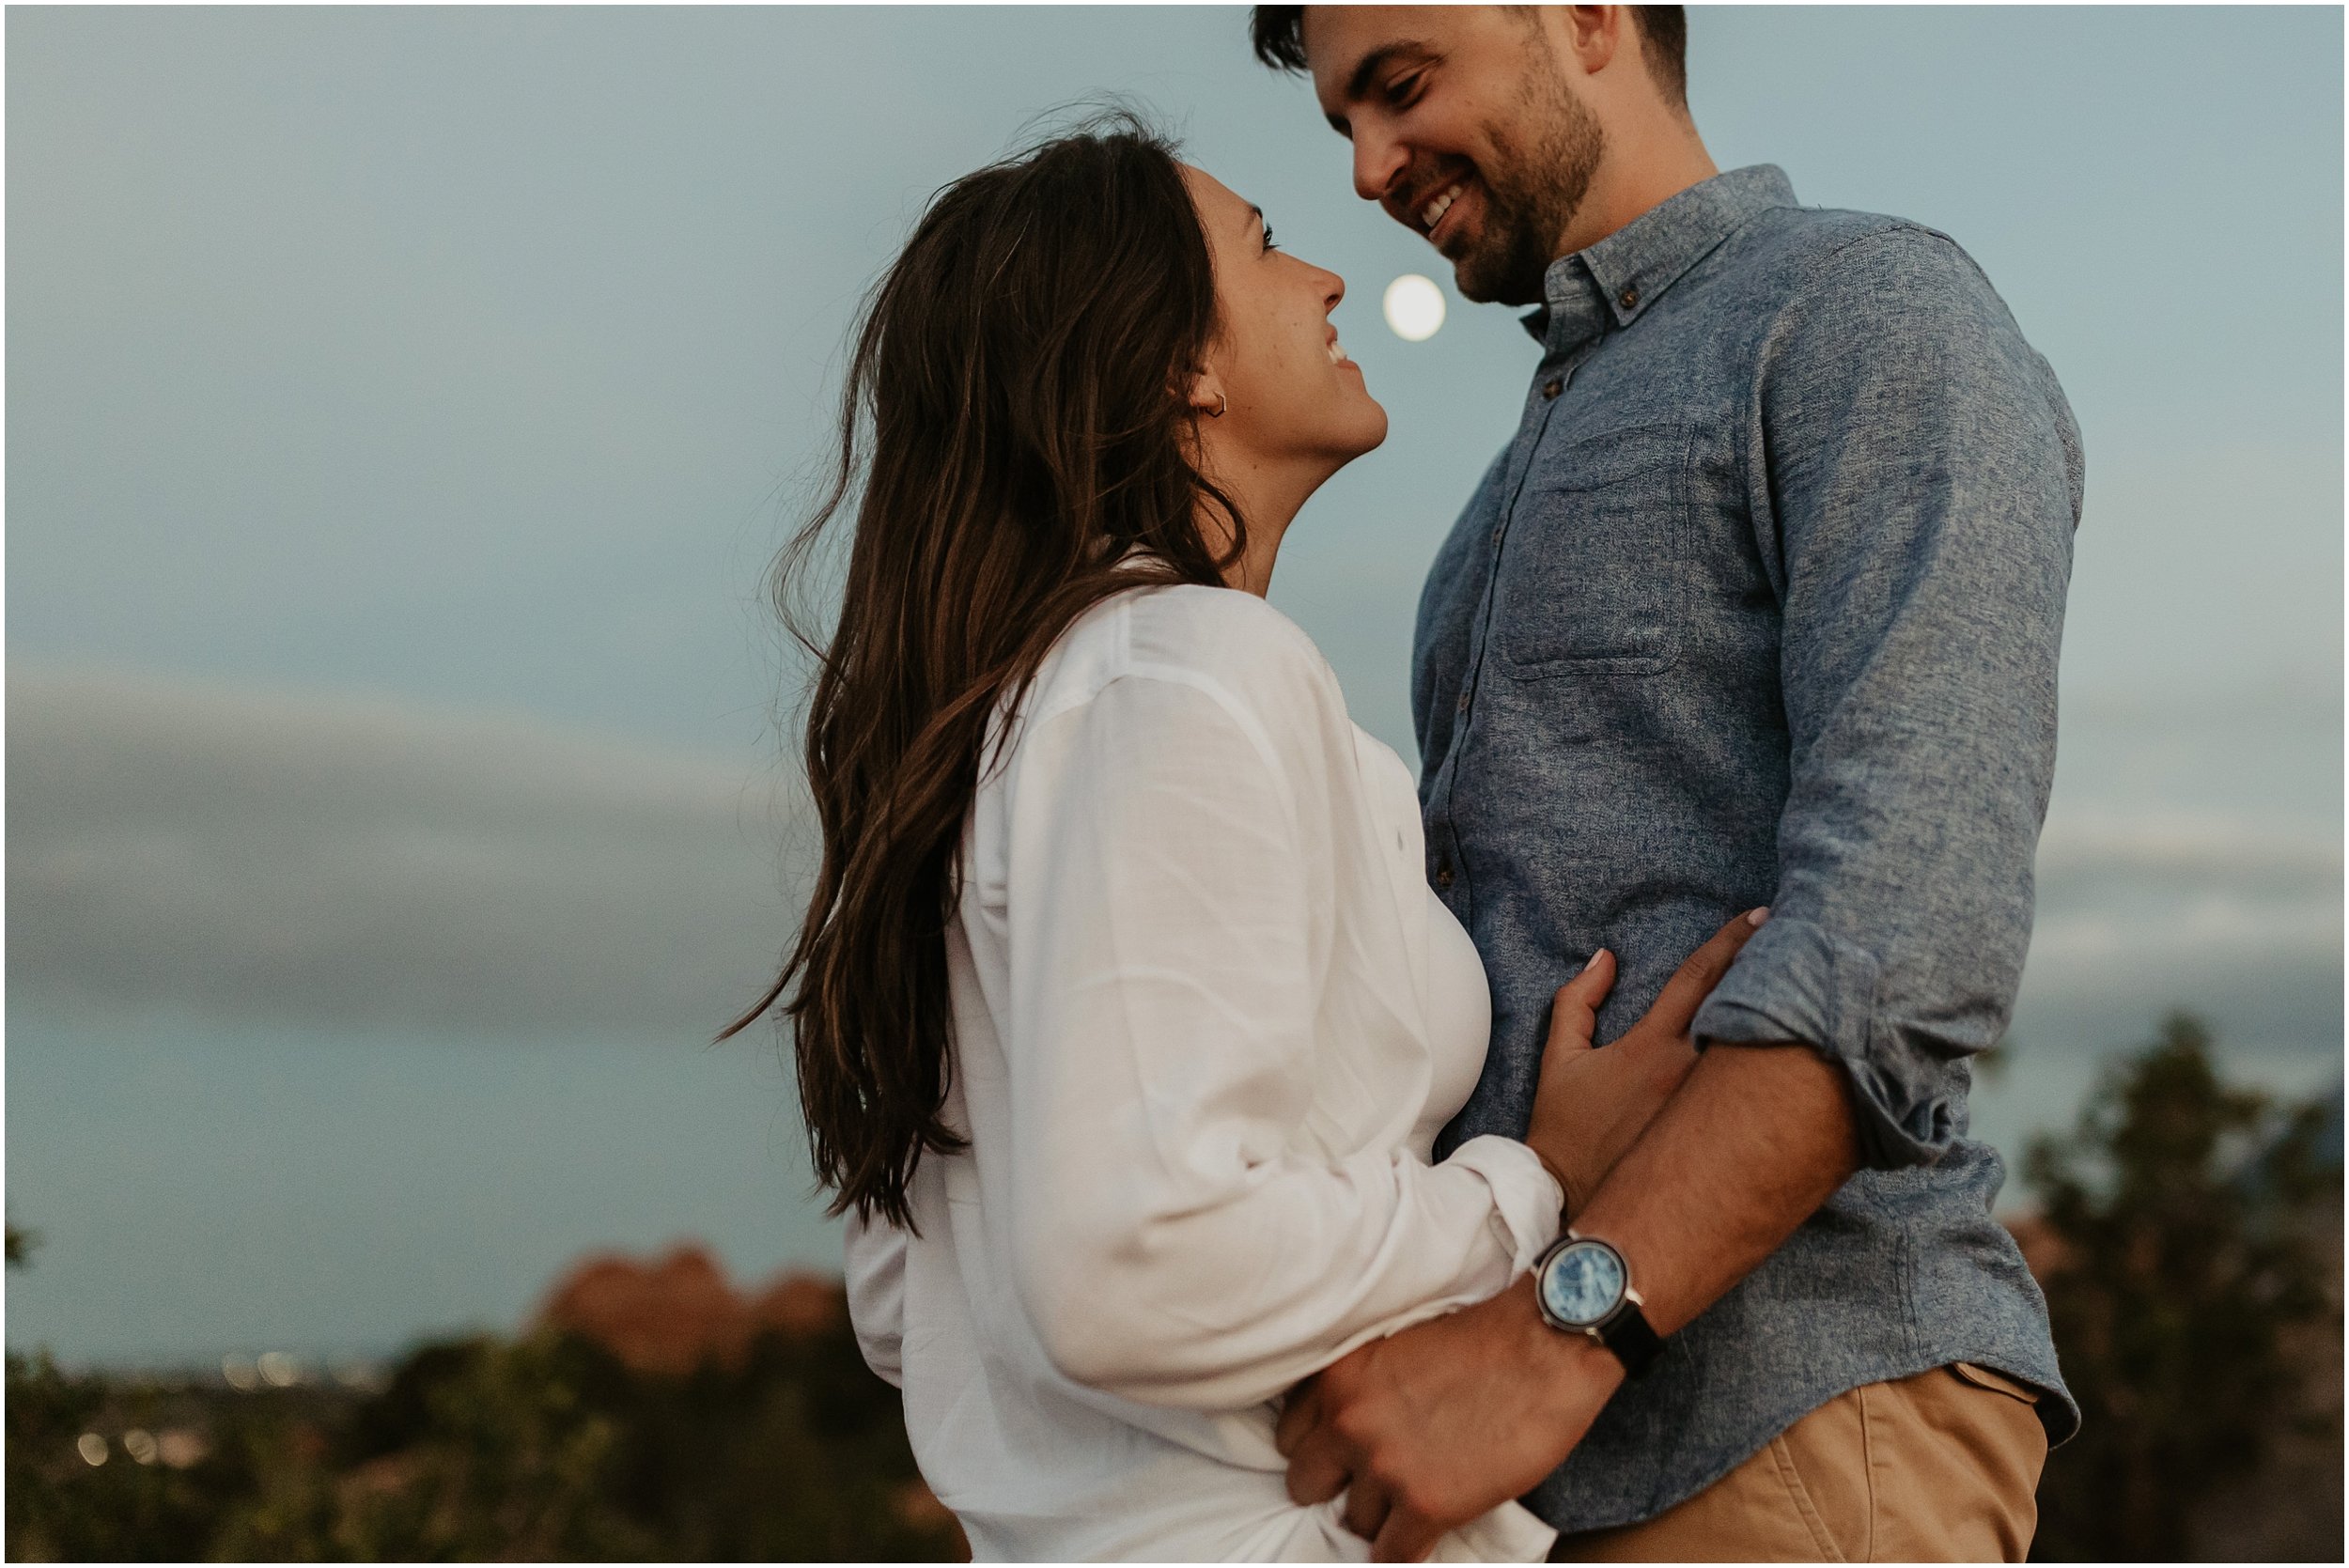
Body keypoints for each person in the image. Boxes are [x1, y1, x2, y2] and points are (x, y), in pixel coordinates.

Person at [723, 116, 1770, 1560]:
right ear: (1177, 366)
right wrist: (1529, 1186)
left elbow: (918, 1310)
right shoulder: (1184, 671)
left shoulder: (1012, 732)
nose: (1332, 277)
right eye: (1267, 246)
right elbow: (1129, 1265)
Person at [1248, 6, 2082, 1561]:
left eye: (1401, 87)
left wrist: (1556, 1334)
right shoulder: (1496, 500)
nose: (1367, 169)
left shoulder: (1867, 313)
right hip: (1524, 1475)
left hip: (1793, 1419)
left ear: (1586, 18)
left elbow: (1909, 916)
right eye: (1343, 125)